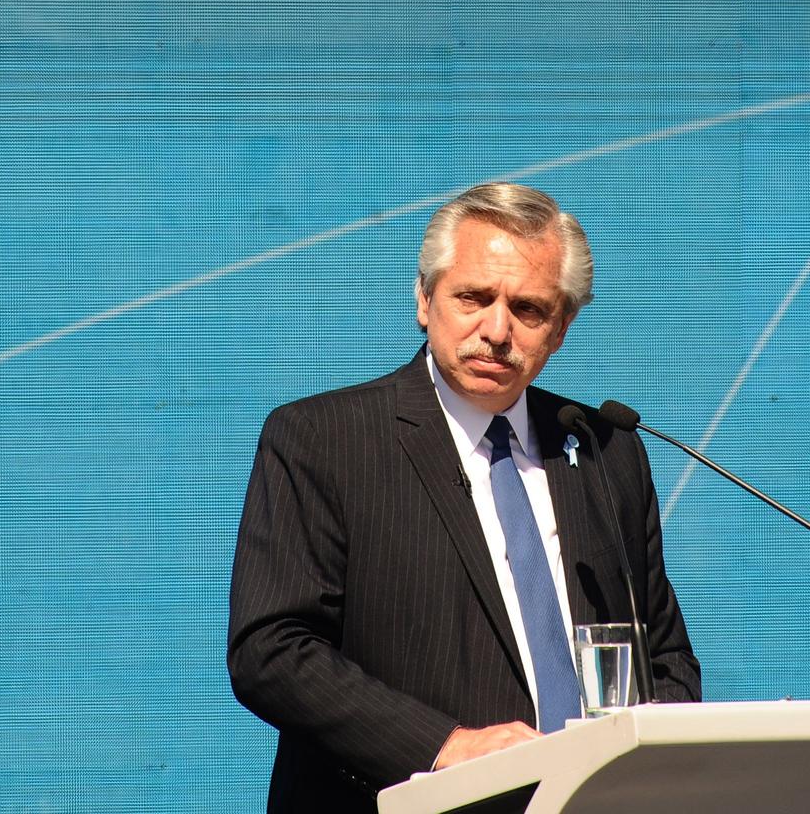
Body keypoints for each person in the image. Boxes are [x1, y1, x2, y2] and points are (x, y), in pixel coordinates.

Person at [228, 181, 701, 812]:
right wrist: (445, 747)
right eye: (473, 297)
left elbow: (665, 660)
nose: (497, 329)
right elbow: (273, 651)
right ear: (424, 300)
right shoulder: (325, 440)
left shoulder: (603, 450)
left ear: (561, 327)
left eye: (529, 308)